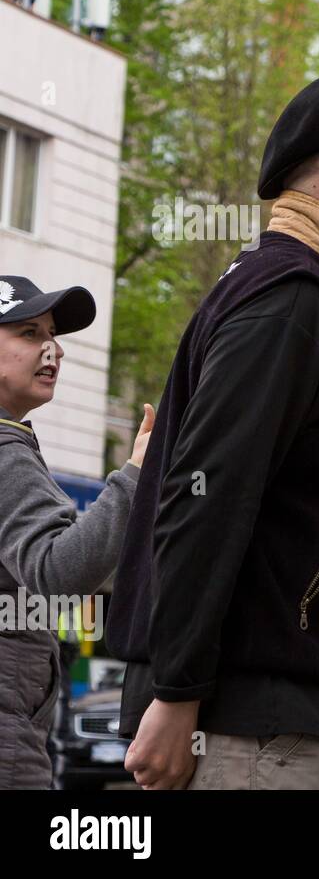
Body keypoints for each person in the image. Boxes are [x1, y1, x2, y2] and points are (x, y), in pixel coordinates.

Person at [105, 71, 319, 790]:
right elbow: (208, 495)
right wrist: (178, 690)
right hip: (242, 726)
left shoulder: (286, 287)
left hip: (245, 718)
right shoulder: (293, 296)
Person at [0, 277, 153, 788]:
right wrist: (134, 476)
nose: (53, 349)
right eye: (27, 332)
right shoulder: (6, 453)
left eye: (52, 334)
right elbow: (58, 572)